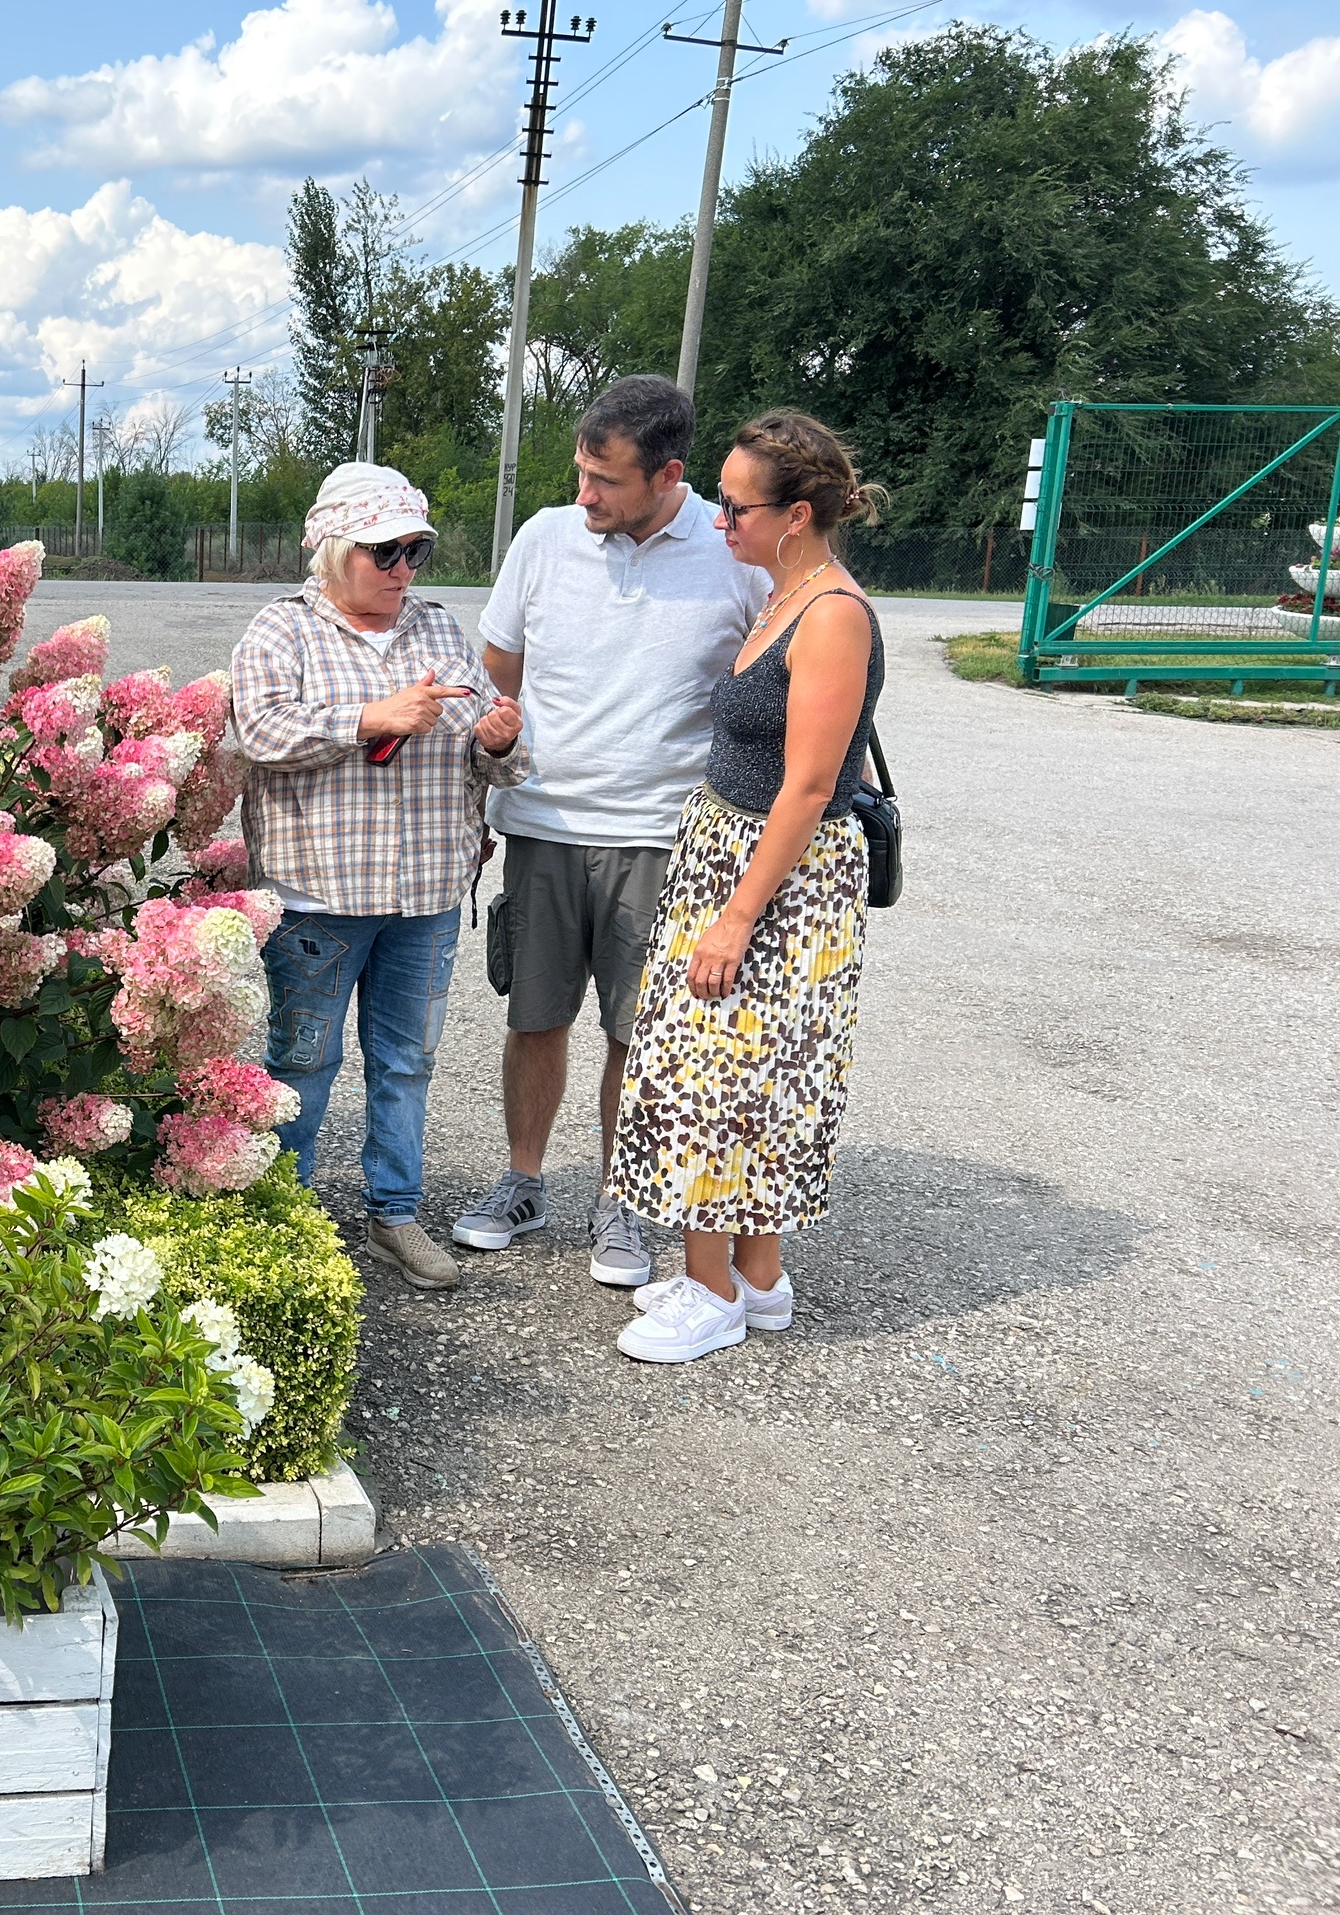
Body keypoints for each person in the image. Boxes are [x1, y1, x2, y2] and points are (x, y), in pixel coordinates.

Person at [455, 376, 768, 1289]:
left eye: (606, 480)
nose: (584, 494)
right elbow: (500, 671)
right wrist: (491, 784)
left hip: (664, 836)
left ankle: (619, 1198)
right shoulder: (544, 538)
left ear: (668, 475)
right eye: (580, 472)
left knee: (637, 1032)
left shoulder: (733, 556)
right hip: (544, 822)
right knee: (535, 1015)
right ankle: (523, 1182)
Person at [606, 409, 887, 1363]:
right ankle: (759, 1279)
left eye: (736, 507)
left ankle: (712, 1291)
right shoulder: (783, 593)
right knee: (753, 1076)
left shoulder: (832, 614)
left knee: (712, 1077)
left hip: (775, 877)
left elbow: (809, 785)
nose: (719, 521)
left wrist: (733, 918)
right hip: (736, 855)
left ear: (797, 515)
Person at [232, 462, 529, 1291]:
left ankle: (393, 1215)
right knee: (301, 1064)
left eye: (415, 551)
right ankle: (283, 1222)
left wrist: (500, 742)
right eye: (384, 551)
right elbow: (258, 732)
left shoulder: (438, 630)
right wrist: (372, 718)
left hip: (426, 894)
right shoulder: (282, 629)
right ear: (335, 551)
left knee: (405, 1065)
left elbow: (496, 758)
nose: (403, 569)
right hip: (317, 898)